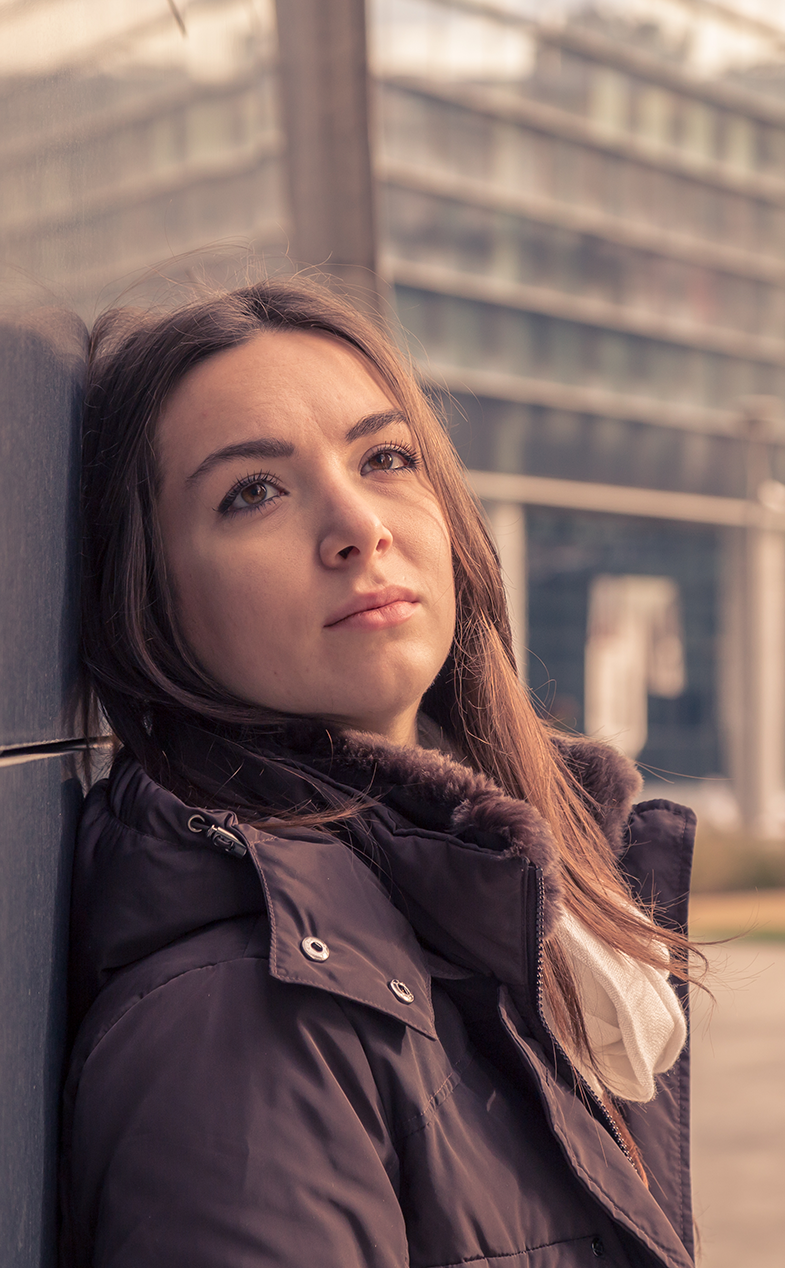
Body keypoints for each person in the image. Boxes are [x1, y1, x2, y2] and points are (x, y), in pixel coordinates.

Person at [61, 277, 700, 1268]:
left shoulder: (526, 903)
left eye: (386, 457)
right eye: (253, 490)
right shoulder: (239, 1020)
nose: (358, 522)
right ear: (153, 603)